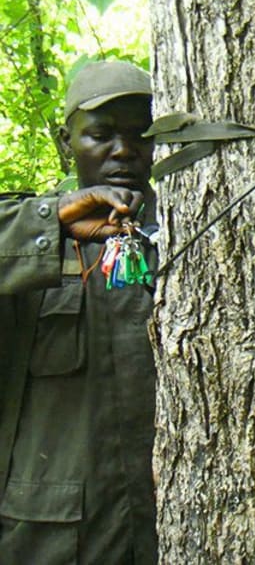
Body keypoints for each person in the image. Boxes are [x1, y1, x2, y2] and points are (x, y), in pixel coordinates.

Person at [0, 60, 157, 564]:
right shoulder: (29, 235)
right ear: (68, 141)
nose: (124, 150)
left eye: (141, 134)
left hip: (173, 525)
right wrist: (50, 225)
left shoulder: (195, 234)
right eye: (102, 134)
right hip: (54, 538)